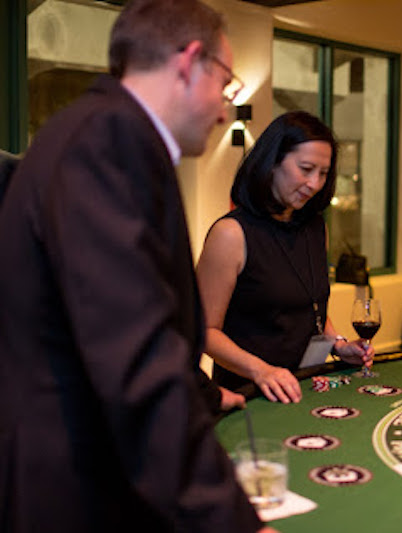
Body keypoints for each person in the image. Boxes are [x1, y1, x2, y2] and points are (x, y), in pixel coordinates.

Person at [0, 1, 274, 531]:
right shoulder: (111, 144)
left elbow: (113, 313)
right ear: (188, 61)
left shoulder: (93, 130)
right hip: (74, 489)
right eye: (225, 82)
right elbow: (137, 360)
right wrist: (237, 522)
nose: (224, 110)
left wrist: (202, 392)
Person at [196, 111, 374, 404]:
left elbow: (309, 307)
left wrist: (339, 345)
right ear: (273, 163)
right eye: (306, 169)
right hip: (252, 393)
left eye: (324, 173)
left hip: (305, 385)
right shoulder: (231, 234)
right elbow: (204, 331)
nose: (315, 184)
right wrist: (263, 371)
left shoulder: (316, 228)